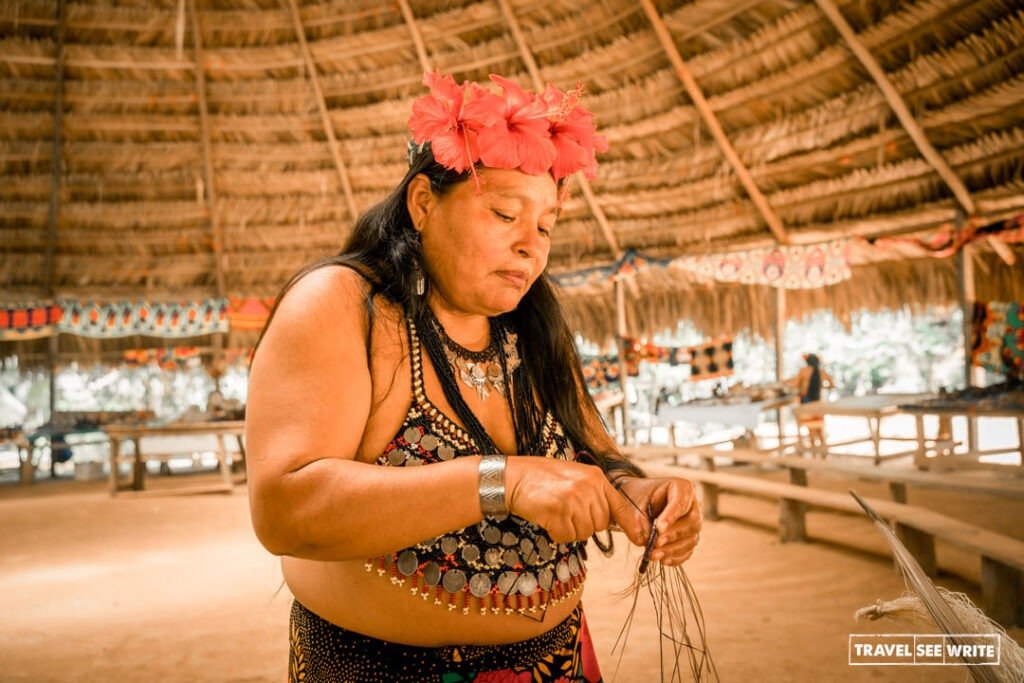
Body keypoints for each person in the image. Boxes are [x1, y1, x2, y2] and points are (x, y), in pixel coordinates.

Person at [245, 72, 702, 683]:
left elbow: (595, 457)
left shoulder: (532, 327)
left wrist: (640, 496)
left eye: (545, 227)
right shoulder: (343, 305)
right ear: (424, 204)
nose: (529, 248)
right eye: (505, 213)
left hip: (559, 662)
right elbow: (284, 509)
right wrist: (501, 482)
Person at [791, 353, 835, 457]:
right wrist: (826, 388)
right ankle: (823, 449)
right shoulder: (821, 371)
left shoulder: (803, 371)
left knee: (810, 427)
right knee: (819, 426)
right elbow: (831, 383)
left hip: (806, 402)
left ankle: (814, 451)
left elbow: (796, 384)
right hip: (818, 402)